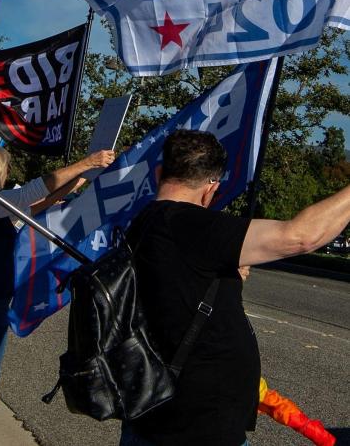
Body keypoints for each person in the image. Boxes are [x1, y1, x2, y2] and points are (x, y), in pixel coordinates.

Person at [122, 129, 350, 446]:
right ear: (211, 188)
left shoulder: (143, 223)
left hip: (153, 409)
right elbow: (301, 236)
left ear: (160, 172)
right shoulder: (192, 225)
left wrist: (225, 281)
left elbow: (175, 292)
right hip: (197, 425)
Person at [0, 144, 114, 446]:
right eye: (4, 167)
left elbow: (41, 203)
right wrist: (86, 162)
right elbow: (36, 189)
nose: (7, 173)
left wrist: (80, 179)